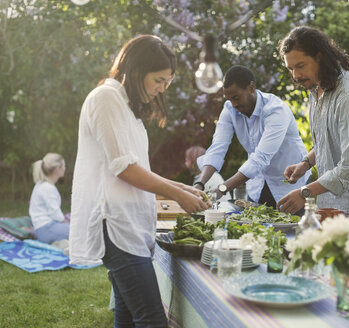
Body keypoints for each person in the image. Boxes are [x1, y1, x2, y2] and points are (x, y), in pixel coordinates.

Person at [69, 35, 209, 328]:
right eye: (159, 80)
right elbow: (124, 169)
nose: (162, 89)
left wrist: (182, 187)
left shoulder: (126, 107)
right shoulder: (105, 98)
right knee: (152, 320)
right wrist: (177, 195)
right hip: (115, 224)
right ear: (135, 70)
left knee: (129, 315)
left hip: (130, 225)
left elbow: (137, 167)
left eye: (167, 82)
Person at [276, 26, 349, 222]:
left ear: (319, 57)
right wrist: (306, 163)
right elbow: (328, 141)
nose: (295, 75)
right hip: (331, 202)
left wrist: (304, 192)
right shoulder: (317, 90)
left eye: (300, 66)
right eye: (291, 68)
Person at [195, 65, 310, 210]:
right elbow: (217, 149)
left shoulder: (275, 110)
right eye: (230, 99)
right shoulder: (230, 109)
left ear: (251, 88)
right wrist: (199, 185)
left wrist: (222, 189)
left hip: (290, 188)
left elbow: (260, 158)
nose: (234, 104)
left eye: (236, 97)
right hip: (257, 187)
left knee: (291, 232)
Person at [29, 153, 69, 244]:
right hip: (46, 229)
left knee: (76, 229)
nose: (65, 168)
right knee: (79, 232)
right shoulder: (47, 188)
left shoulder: (42, 184)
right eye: (64, 166)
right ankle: (61, 244)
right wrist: (66, 222)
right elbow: (56, 214)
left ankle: (61, 243)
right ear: (57, 169)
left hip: (44, 228)